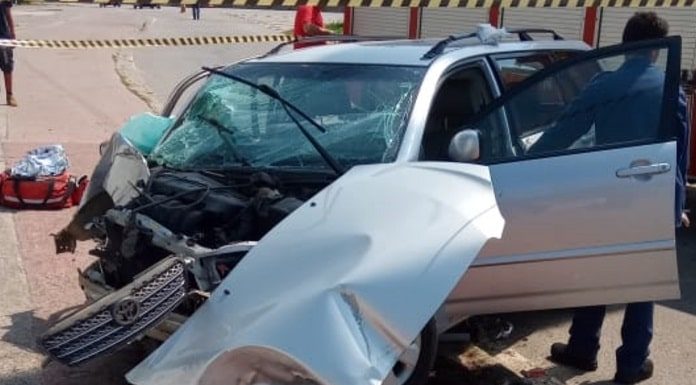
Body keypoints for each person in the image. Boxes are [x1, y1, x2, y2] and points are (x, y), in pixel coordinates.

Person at [544, 12, 690, 384]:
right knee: (642, 284)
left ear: (626, 45)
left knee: (597, 273)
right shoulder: (672, 89)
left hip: (606, 195)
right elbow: (680, 155)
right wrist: (678, 207)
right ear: (657, 51)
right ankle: (631, 365)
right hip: (651, 199)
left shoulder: (603, 85)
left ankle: (582, 349)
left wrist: (519, 161)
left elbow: (563, 133)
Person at [0, 0, 16, 107]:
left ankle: (9, 95)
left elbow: (8, 14)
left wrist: (13, 34)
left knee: (7, 67)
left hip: (4, 36)